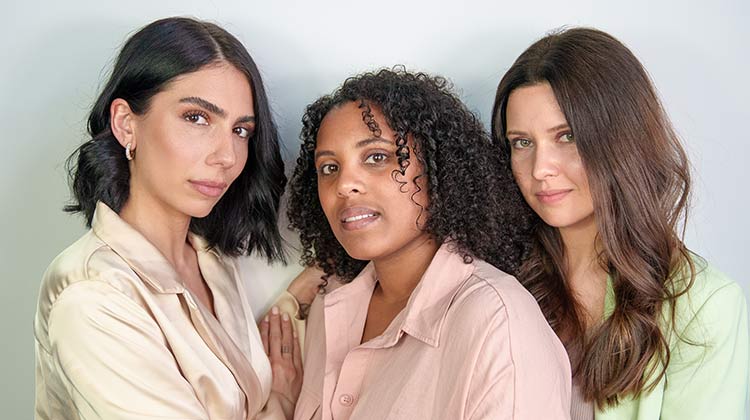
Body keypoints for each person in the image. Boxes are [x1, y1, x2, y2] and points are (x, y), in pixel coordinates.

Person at [34, 17, 316, 420]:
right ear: (126, 124)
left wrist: (301, 295)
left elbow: (230, 389)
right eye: (197, 118)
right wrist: (284, 400)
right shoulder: (94, 299)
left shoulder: (206, 258)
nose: (227, 156)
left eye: (240, 130)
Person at [491, 27, 749, 420]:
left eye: (567, 136)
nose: (541, 169)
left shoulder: (704, 307)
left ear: (621, 141)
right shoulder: (495, 274)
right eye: (521, 143)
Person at [286, 68, 571, 420]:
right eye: (329, 167)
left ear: (441, 170)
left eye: (377, 157)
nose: (344, 184)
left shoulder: (496, 322)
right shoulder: (327, 310)